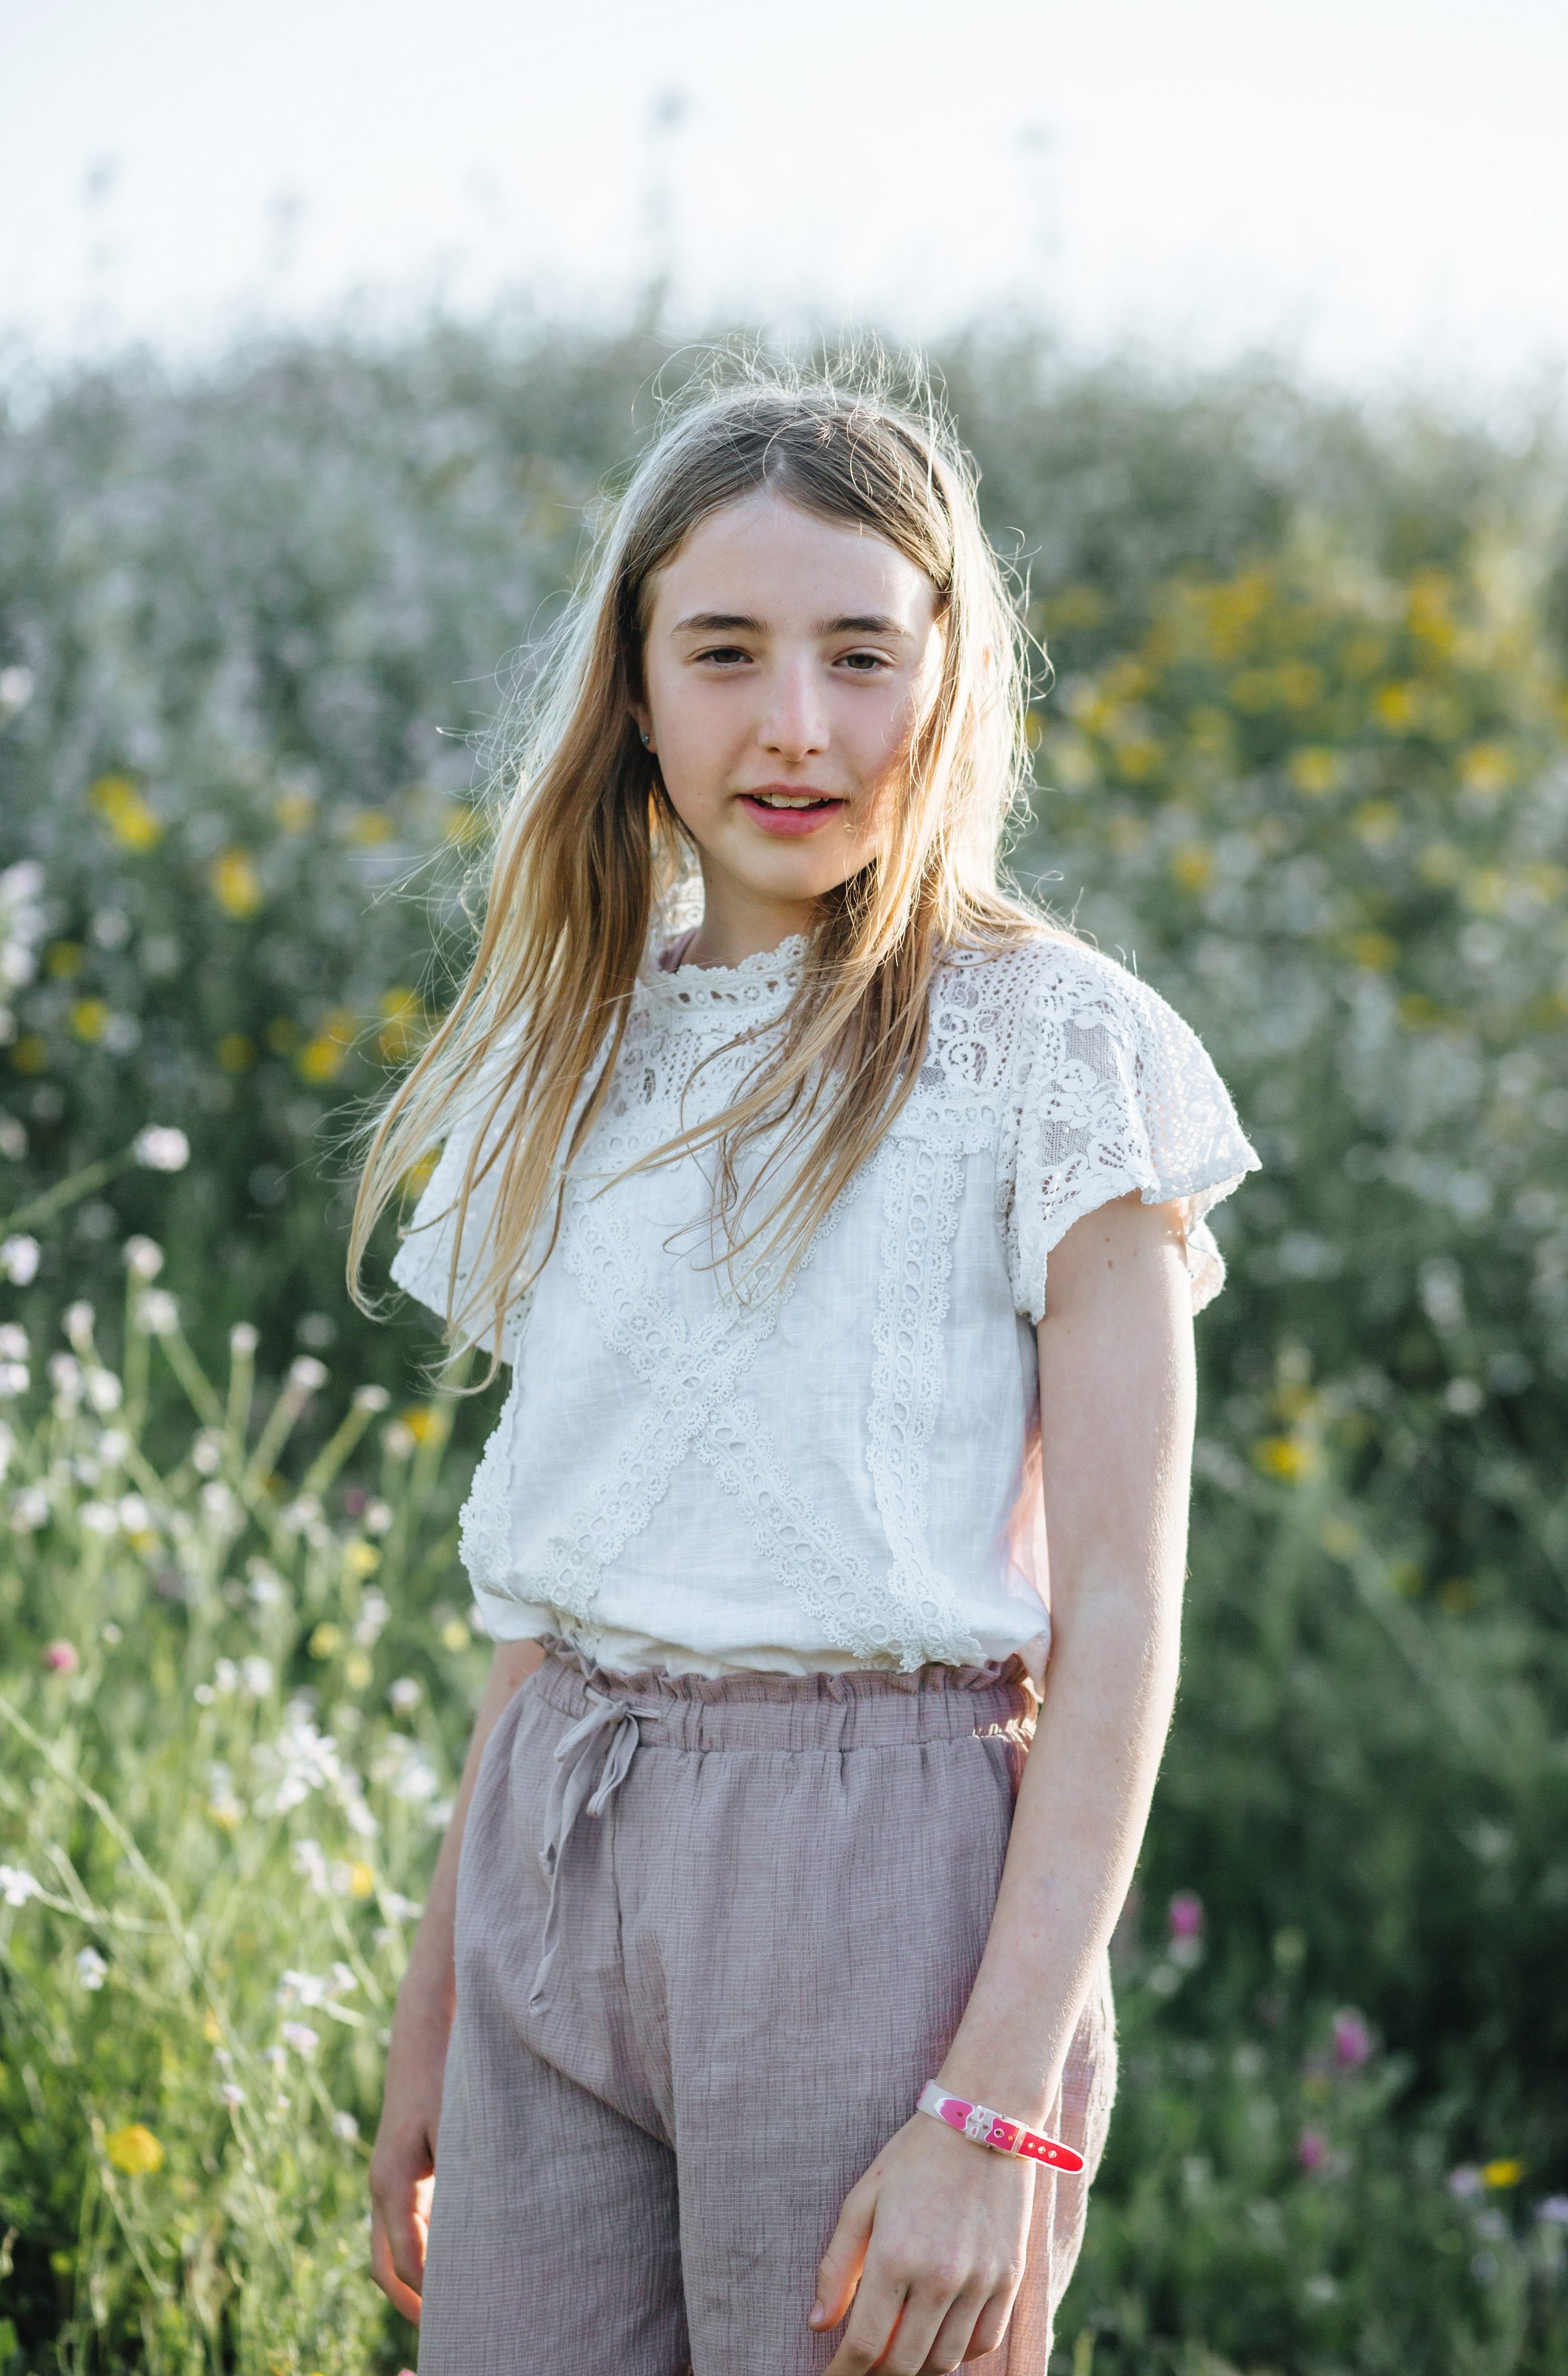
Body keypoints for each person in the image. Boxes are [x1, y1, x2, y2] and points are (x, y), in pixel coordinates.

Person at [348, 364, 1257, 2376]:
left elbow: (1120, 1613)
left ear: (947, 681)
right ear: (637, 686)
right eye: (727, 652)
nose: (796, 725)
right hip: (553, 1853)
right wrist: (434, 2018)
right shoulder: (564, 1052)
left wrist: (994, 2103)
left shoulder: (1057, 1052)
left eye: (862, 654)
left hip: (880, 1880)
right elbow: (547, 1593)